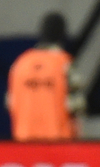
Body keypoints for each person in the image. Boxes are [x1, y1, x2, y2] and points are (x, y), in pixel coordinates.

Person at [5, 12, 81, 141]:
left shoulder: (20, 63)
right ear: (63, 34)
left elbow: (10, 103)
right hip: (59, 143)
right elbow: (77, 107)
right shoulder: (64, 64)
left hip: (23, 142)